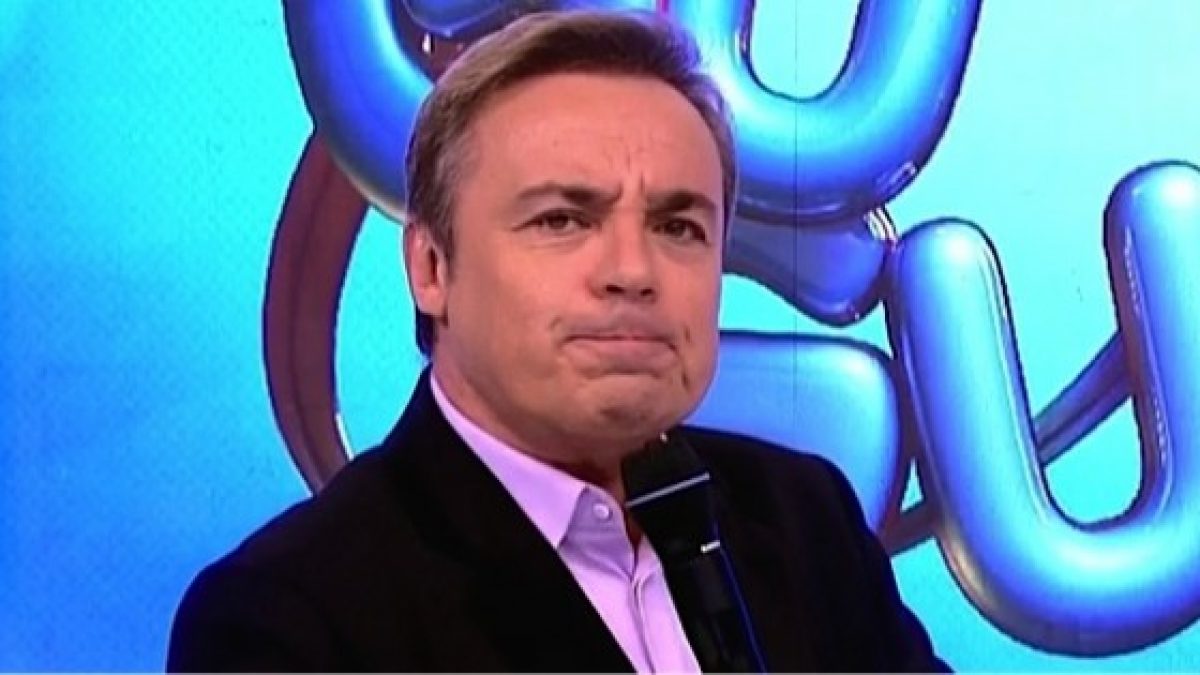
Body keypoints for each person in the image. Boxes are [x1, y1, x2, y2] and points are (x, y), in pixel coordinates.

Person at [168, 9, 947, 672]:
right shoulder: (287, 616)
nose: (633, 272)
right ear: (432, 267)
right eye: (562, 220)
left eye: (679, 227)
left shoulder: (803, 516)